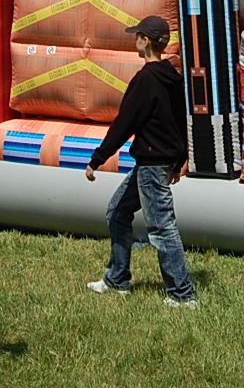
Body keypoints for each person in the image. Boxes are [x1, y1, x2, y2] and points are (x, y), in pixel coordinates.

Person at [83, 15, 196, 307]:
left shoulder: (145, 79)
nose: (134, 39)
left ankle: (183, 295)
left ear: (145, 41)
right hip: (159, 162)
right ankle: (117, 279)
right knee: (118, 211)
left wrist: (97, 159)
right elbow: (182, 122)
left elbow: (124, 124)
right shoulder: (174, 77)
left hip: (151, 166)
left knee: (161, 228)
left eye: (137, 35)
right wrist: (181, 158)